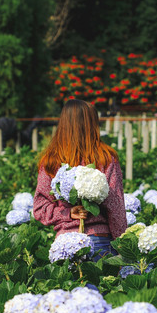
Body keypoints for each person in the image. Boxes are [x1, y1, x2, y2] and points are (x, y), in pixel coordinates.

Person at [33, 99, 127, 261]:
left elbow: (40, 208)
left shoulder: (50, 161)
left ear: (63, 124)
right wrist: (123, 248)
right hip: (100, 239)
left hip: (65, 244)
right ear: (92, 123)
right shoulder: (105, 158)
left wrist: (67, 213)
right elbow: (115, 206)